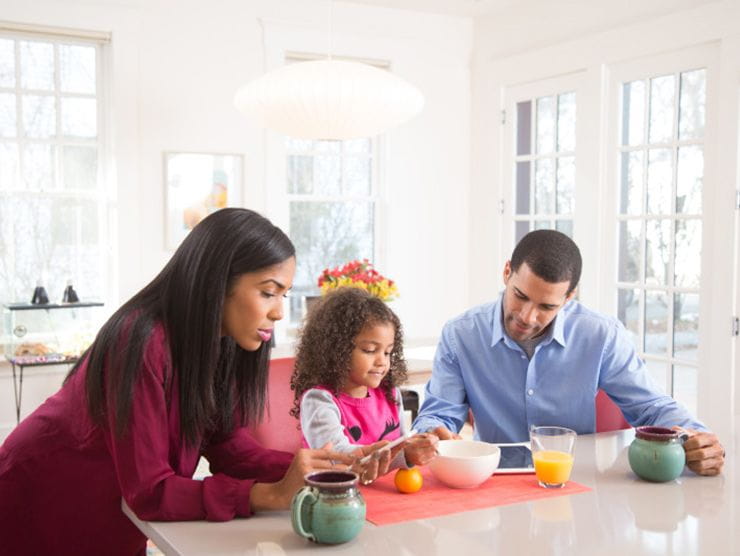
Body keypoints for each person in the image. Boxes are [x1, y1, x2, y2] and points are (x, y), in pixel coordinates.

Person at [0, 208, 358, 555]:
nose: (279, 311)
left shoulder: (222, 344)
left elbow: (228, 447)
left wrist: (326, 469)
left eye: (285, 294)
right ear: (218, 282)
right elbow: (150, 492)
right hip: (41, 495)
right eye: (268, 292)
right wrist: (269, 495)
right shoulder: (141, 339)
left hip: (112, 512)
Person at [413, 229, 724, 476]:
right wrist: (427, 436)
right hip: (493, 481)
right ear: (507, 272)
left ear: (569, 296)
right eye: (520, 296)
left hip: (578, 483)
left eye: (547, 306)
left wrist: (698, 437)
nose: (527, 316)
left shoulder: (601, 335)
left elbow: (652, 407)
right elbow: (438, 415)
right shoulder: (460, 335)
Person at [291, 287, 438, 485]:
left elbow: (401, 443)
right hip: (338, 495)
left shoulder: (390, 393)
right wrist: (406, 455)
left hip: (386, 494)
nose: (382, 361)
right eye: (370, 350)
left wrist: (420, 445)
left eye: (387, 352)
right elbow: (337, 456)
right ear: (337, 349)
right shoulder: (319, 400)